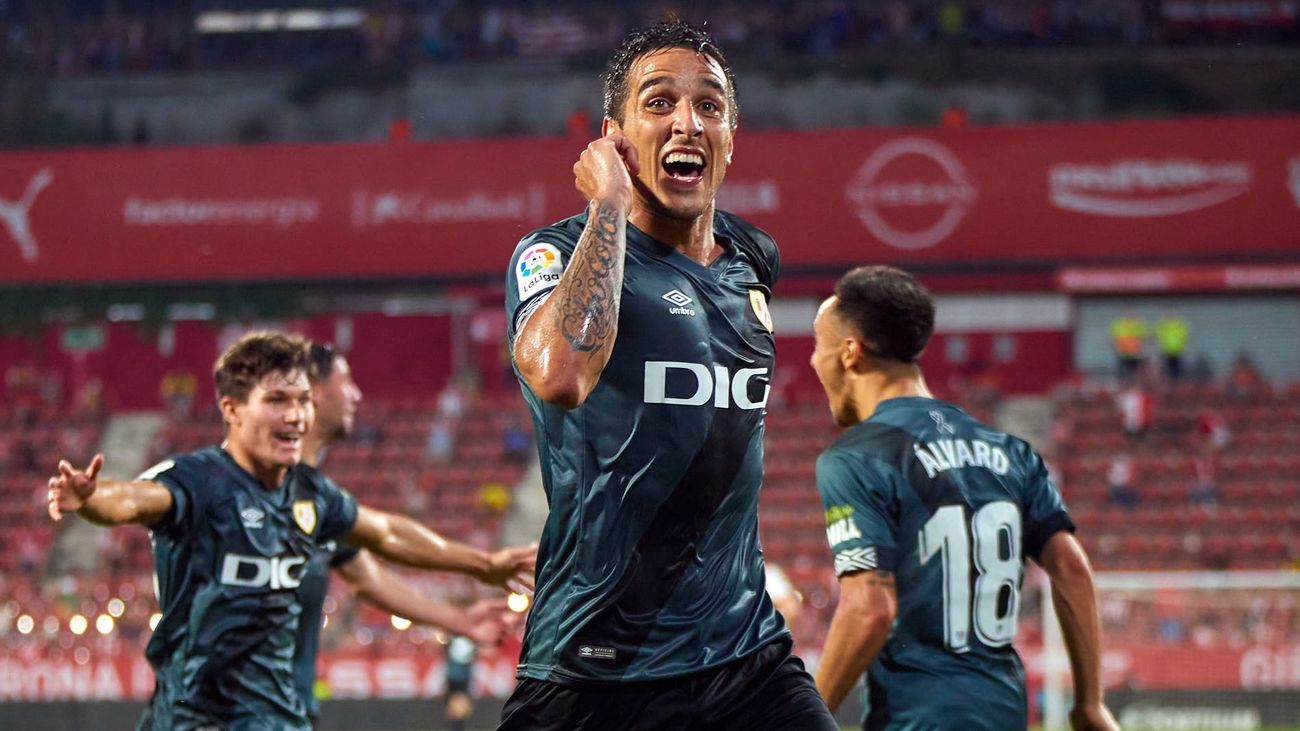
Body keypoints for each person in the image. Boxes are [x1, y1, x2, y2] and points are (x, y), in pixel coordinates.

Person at [501, 18, 836, 731]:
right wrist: (610, 205)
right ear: (613, 137)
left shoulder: (753, 256)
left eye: (709, 105)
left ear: (731, 138)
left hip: (748, 658)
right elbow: (560, 375)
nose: (688, 122)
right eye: (659, 102)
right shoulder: (552, 253)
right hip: (598, 668)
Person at [46, 332, 536, 731]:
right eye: (277, 401)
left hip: (280, 717)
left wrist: (483, 565)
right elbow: (135, 498)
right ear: (232, 409)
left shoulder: (311, 494)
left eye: (301, 401)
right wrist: (90, 499)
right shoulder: (201, 481)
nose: (296, 415)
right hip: (194, 718)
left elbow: (384, 535)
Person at [807, 266, 1119, 731]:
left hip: (917, 719)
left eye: (819, 346)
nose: (814, 362)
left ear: (850, 353)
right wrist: (1089, 703)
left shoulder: (859, 456)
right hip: (1004, 714)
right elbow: (1072, 569)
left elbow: (868, 609)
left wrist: (803, 716)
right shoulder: (1009, 451)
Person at [294, 343, 518, 728]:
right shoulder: (227, 489)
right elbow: (386, 537)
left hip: (291, 713)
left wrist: (460, 620)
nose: (357, 394)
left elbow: (370, 569)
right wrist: (483, 564)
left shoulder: (318, 498)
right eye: (345, 381)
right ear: (312, 391)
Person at [1109, 311, 1147, 382]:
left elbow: (1143, 339)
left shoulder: (1138, 325)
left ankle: (1134, 385)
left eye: (1131, 314)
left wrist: (1140, 350)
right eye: (1128, 314)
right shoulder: (1118, 325)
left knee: (1135, 374)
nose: (1129, 316)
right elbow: (1112, 339)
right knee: (1123, 375)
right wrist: (1116, 348)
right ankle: (1124, 385)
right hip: (1123, 354)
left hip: (1135, 354)